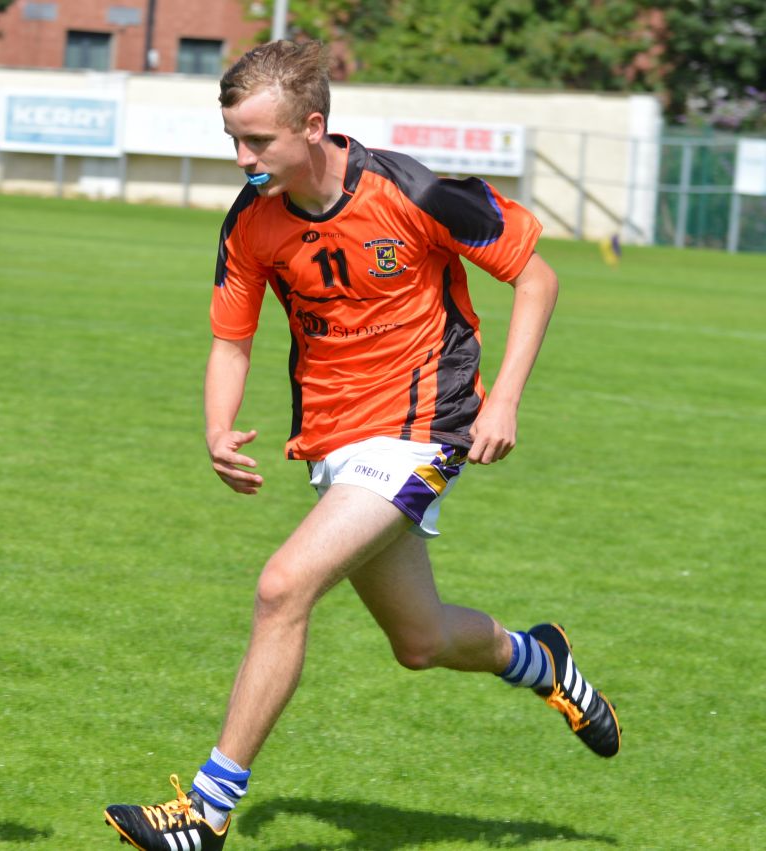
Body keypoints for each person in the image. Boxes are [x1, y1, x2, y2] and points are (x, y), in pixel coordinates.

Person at [104, 40, 619, 851]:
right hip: (333, 444)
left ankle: (206, 813)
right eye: (233, 139)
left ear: (313, 127)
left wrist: (505, 401)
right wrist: (216, 426)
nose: (242, 157)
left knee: (283, 587)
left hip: (425, 426)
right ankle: (540, 659)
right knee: (420, 643)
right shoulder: (252, 220)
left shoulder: (412, 190)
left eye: (259, 141)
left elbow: (537, 278)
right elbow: (230, 341)